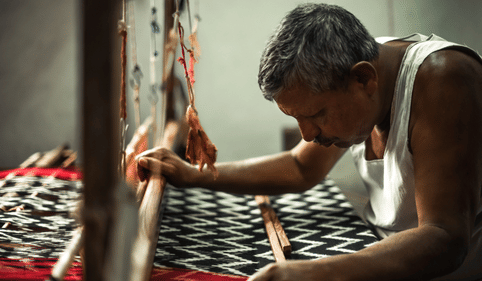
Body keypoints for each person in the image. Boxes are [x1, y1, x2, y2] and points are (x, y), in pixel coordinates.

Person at [136, 3, 482, 280]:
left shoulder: (444, 79)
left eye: (316, 115)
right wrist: (195, 175)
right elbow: (301, 167)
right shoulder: (360, 71)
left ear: (364, 78)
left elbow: (444, 237)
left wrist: (316, 272)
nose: (307, 135)